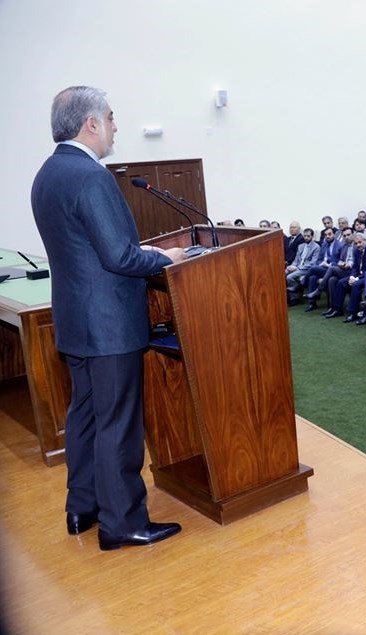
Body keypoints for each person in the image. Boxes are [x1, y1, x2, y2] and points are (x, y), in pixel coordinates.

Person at [31, 86, 186, 550]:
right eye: (112, 118)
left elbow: (87, 248)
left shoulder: (48, 173)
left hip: (76, 319)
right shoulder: (91, 176)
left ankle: (83, 507)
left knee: (85, 416)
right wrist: (166, 258)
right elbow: (119, 257)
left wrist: (139, 250)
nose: (116, 127)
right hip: (109, 324)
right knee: (118, 422)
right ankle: (123, 523)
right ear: (92, 124)